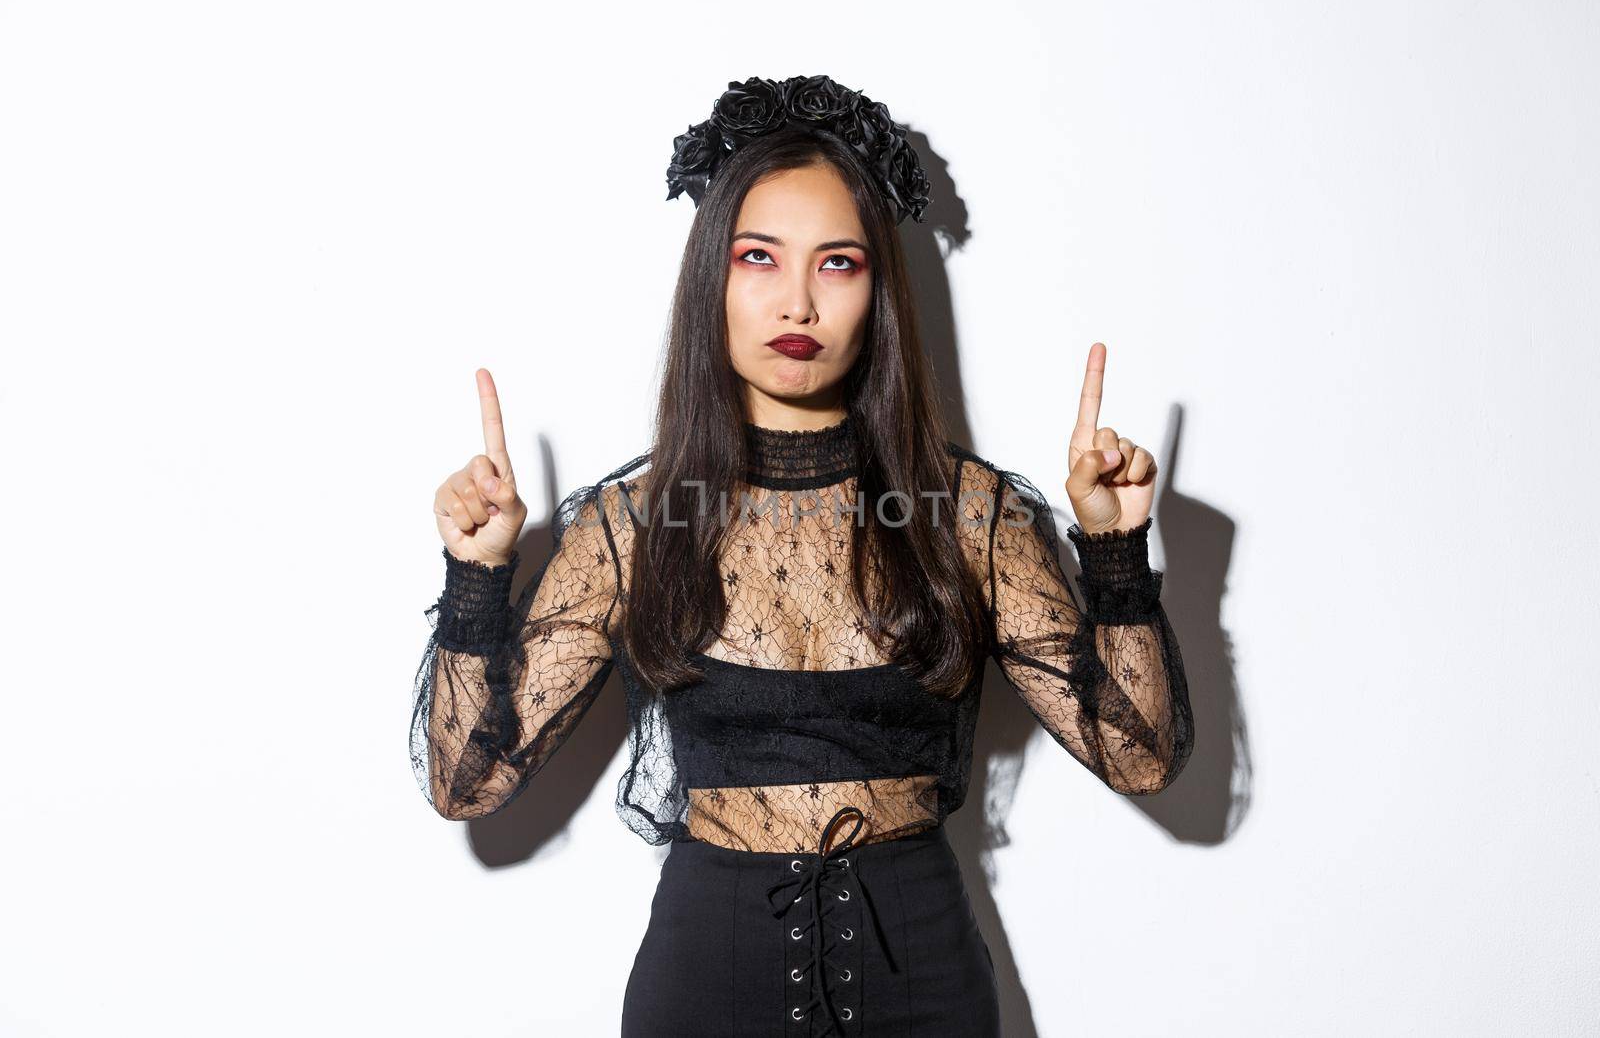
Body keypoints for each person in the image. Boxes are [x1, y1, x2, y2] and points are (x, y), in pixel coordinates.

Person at [410, 75, 1195, 1037]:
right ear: (714, 280)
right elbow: (466, 781)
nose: (798, 301)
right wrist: (477, 577)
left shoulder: (969, 515)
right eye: (759, 257)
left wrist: (1114, 549)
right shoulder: (637, 522)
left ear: (879, 291)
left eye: (837, 263)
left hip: (927, 991)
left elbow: (1140, 754)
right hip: (704, 990)